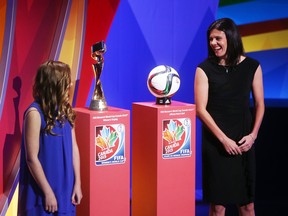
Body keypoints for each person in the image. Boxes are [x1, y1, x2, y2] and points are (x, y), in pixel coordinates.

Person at [194, 18, 265, 216]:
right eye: (210, 39)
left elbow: (260, 104)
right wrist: (224, 140)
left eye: (218, 38)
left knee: (247, 206)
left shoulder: (252, 66)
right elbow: (201, 109)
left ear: (231, 37)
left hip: (244, 141)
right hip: (216, 143)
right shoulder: (204, 69)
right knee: (218, 207)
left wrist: (253, 136)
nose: (213, 43)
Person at [18, 60, 83, 215]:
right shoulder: (34, 114)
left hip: (65, 189)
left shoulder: (66, 111)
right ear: (54, 86)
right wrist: (47, 192)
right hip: (41, 192)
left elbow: (74, 148)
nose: (69, 87)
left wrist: (78, 184)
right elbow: (31, 158)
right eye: (66, 83)